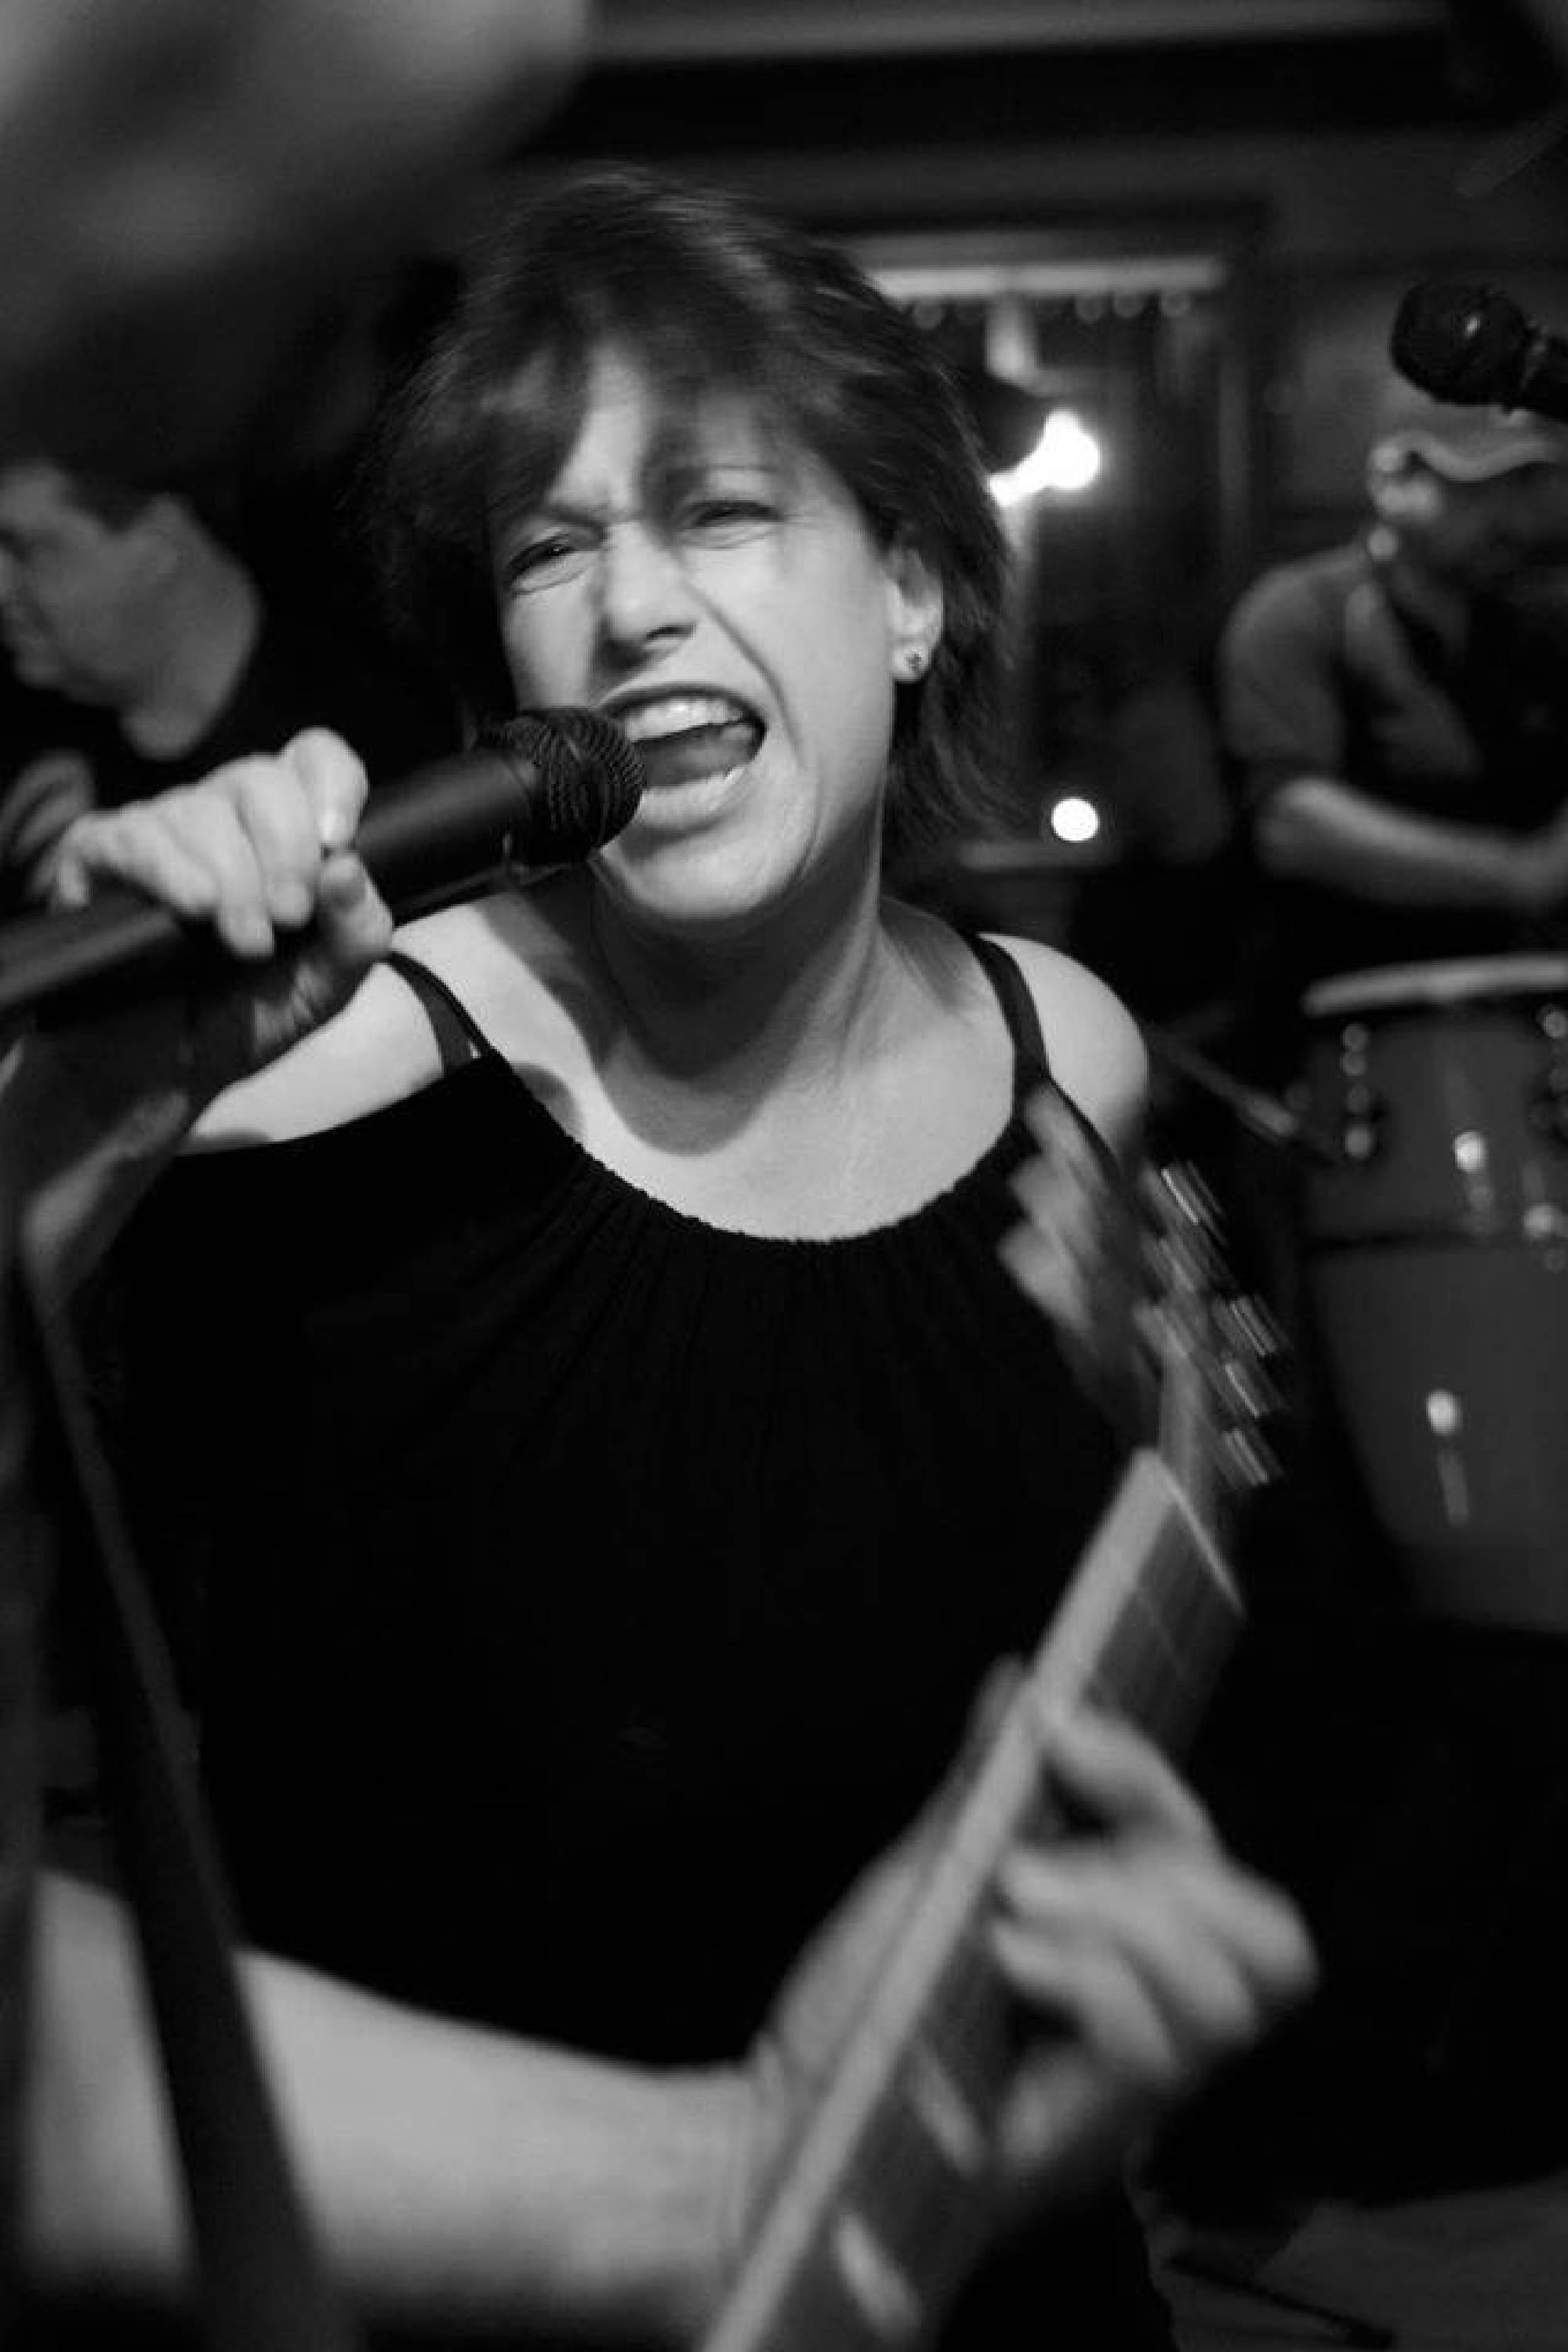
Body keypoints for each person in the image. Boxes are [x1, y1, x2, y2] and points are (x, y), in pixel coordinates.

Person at [14, 167, 1314, 2344]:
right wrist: (97, 1086)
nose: (625, 607)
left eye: (718, 513)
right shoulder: (342, 1061)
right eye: (550, 549)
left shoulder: (1062, 1045)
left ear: (910, 596)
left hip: (965, 2263)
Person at [1220, 374, 1568, 1079]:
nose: (1505, 517)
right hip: (1341, 1040)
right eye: (1474, 488)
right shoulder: (1300, 611)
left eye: (1517, 487)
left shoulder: (1533, 630)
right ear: (1392, 481)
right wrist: (1519, 875)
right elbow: (1292, 827)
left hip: (1520, 1027)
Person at [0, 462, 459, 907]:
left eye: (30, 551)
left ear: (159, 537)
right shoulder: (39, 765)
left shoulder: (375, 714)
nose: (3, 591)